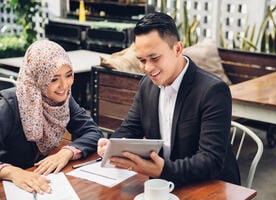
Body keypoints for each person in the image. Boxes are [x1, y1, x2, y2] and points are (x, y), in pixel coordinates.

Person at [97, 12, 240, 186]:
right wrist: (112, 146)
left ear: (178, 49)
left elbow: (210, 161)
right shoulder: (146, 85)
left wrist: (161, 170)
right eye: (142, 60)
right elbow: (131, 128)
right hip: (165, 184)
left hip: (211, 186)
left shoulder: (213, 91)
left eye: (155, 58)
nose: (148, 68)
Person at [0, 40, 103, 194]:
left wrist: (67, 152)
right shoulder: (7, 106)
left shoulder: (62, 100)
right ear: (37, 78)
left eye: (68, 75)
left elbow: (93, 133)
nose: (64, 85)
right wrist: (12, 173)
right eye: (53, 79)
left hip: (40, 185)